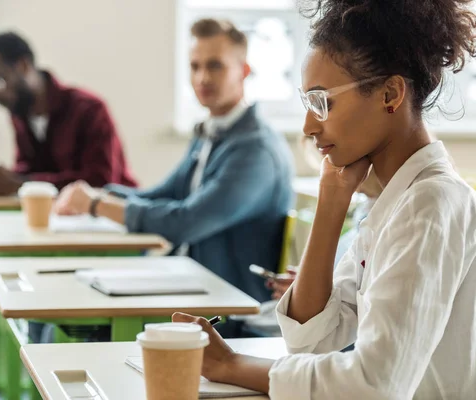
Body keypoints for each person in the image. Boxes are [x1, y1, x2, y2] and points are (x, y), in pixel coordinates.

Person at [174, 0, 476, 398]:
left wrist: (230, 365)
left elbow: (373, 384)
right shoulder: (391, 201)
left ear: (390, 93)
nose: (308, 126)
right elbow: (311, 340)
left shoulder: (430, 204)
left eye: (322, 102)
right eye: (306, 104)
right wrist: (332, 199)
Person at [54, 18, 294, 304]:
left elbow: (186, 222)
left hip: (226, 305)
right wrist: (100, 194)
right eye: (195, 66)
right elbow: (162, 195)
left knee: (70, 311)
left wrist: (96, 205)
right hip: (187, 280)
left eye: (215, 65)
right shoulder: (211, 132)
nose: (203, 77)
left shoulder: (256, 151)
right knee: (64, 297)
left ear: (243, 71)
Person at [0, 32, 137, 196]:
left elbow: (99, 181)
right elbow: (26, 169)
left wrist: (23, 184)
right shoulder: (19, 113)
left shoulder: (89, 109)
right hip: (58, 215)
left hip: (113, 213)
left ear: (23, 65)